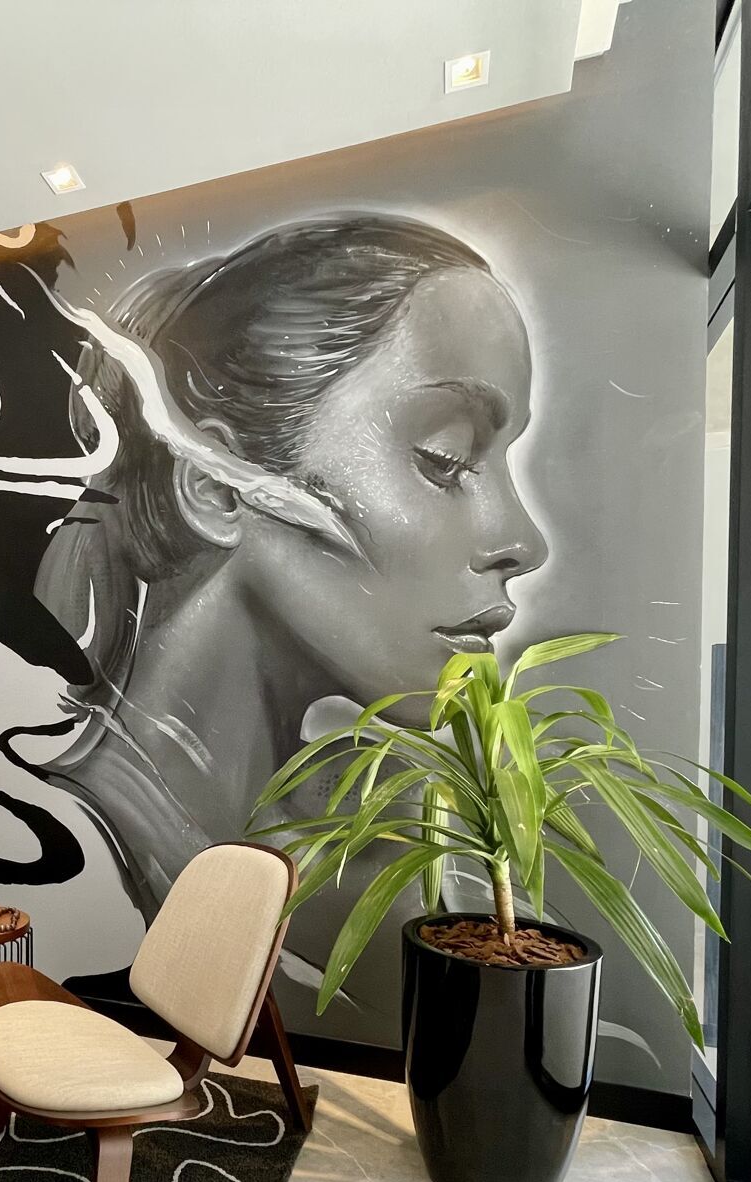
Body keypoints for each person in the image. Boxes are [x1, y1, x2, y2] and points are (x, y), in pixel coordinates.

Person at [33, 214, 551, 1016]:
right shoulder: (59, 852)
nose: (523, 541)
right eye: (445, 458)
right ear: (216, 489)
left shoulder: (382, 848)